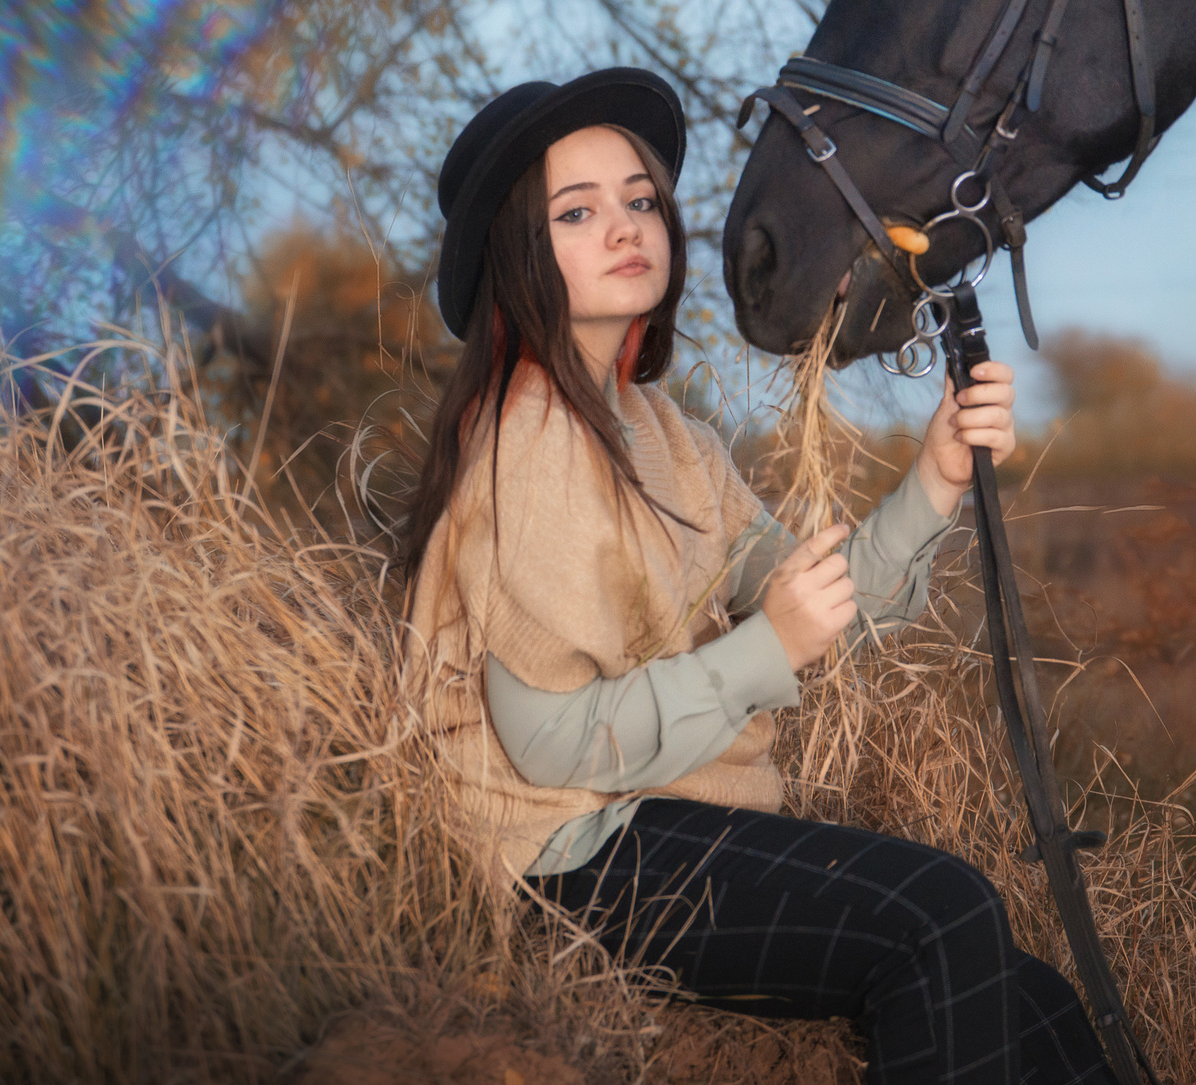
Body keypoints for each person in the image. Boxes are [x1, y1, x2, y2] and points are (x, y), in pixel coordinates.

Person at [402, 66, 1113, 1083]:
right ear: (518, 253)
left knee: (1023, 992)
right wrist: (763, 648)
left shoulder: (667, 435)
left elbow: (823, 603)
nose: (625, 225)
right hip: (566, 857)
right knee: (940, 912)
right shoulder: (529, 443)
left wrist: (936, 474)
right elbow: (549, 741)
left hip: (663, 819)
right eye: (577, 209)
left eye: (639, 198)